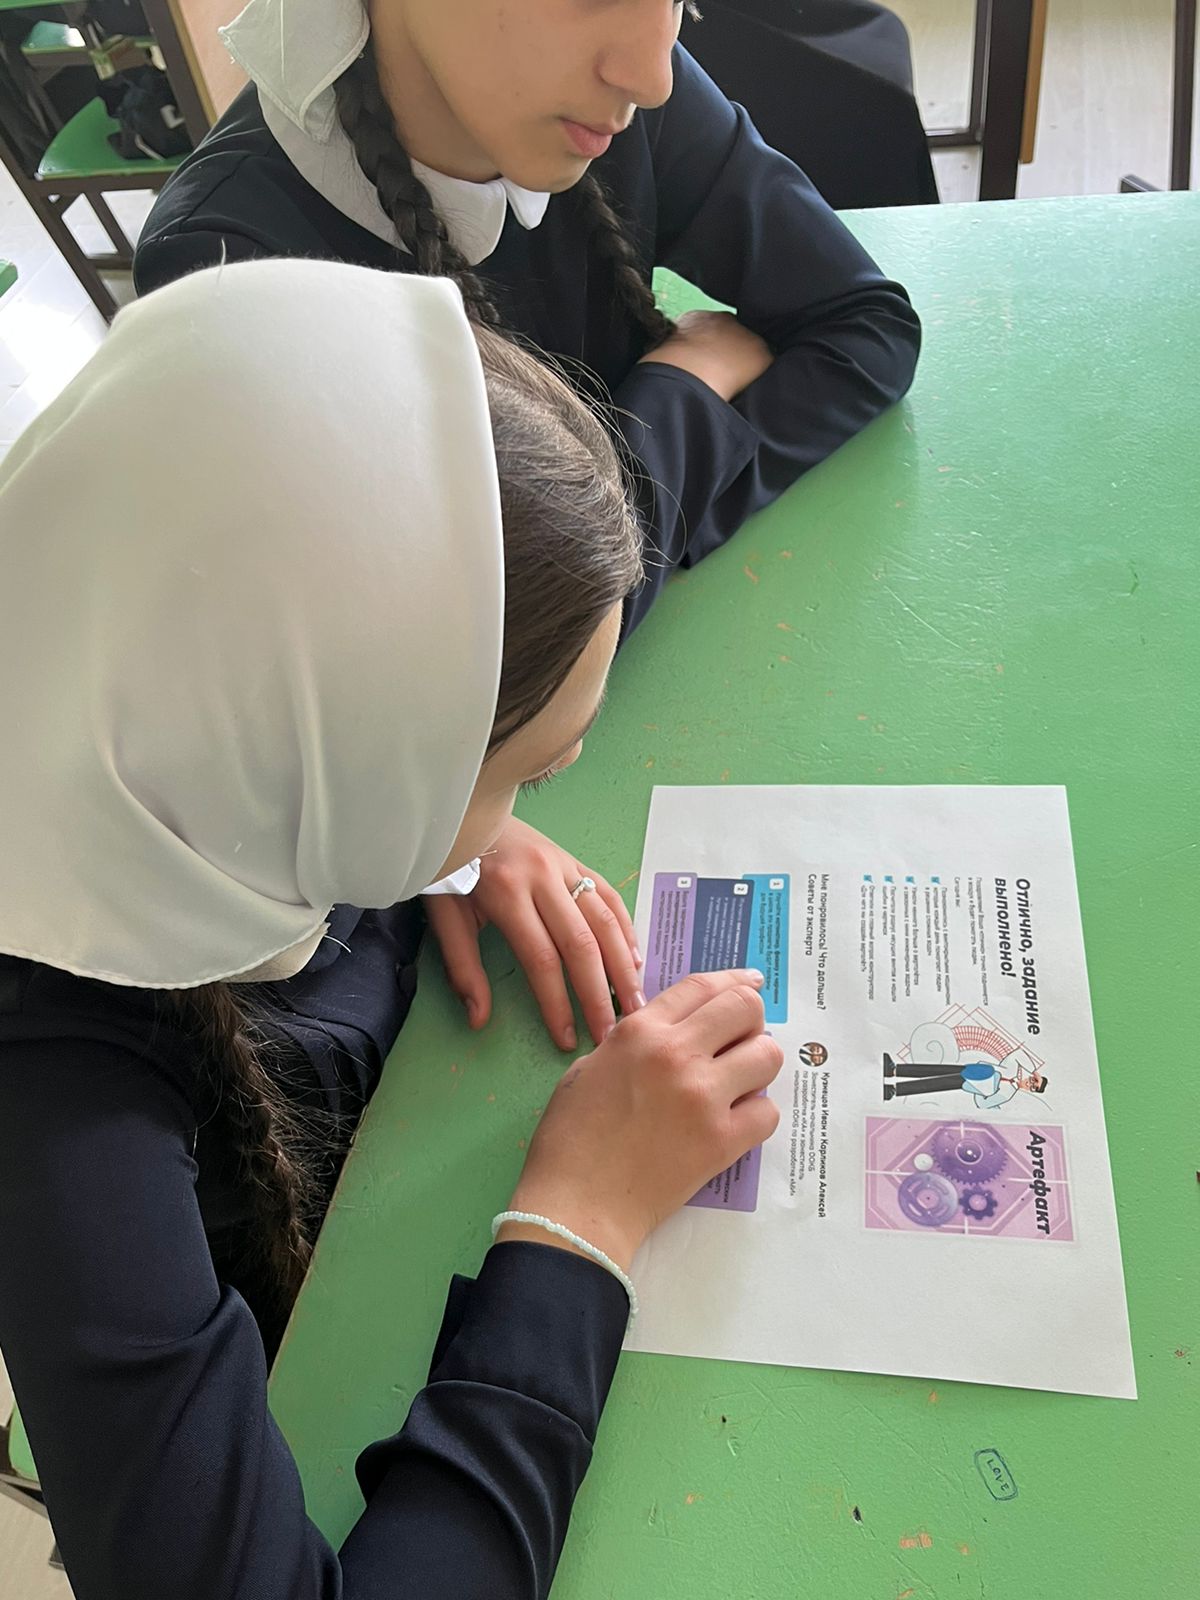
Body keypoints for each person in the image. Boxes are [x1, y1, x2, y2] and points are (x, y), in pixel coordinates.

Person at [0, 259, 785, 1600]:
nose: (505, 825)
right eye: (518, 775)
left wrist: (457, 838)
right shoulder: (59, 1118)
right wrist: (578, 1222)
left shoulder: (153, 708)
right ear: (334, 753)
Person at [134, 0, 922, 640]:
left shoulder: (619, 99)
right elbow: (486, 666)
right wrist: (686, 388)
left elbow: (865, 327)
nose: (652, 78)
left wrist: (629, 532)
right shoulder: (227, 272)